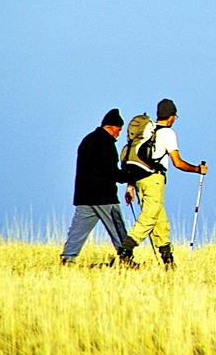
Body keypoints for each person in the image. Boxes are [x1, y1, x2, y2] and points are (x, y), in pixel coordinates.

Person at [119, 98, 206, 269]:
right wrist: (197, 169)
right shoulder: (167, 133)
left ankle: (168, 261)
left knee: (160, 222)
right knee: (149, 218)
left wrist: (130, 186)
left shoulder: (148, 131)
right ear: (171, 116)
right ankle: (125, 252)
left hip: (139, 181)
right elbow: (178, 163)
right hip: (155, 180)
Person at [60, 108, 131, 265]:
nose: (118, 135)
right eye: (118, 130)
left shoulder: (87, 140)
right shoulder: (107, 143)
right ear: (111, 127)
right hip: (104, 196)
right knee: (118, 228)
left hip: (84, 196)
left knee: (78, 230)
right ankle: (127, 260)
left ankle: (67, 259)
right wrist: (127, 176)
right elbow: (110, 170)